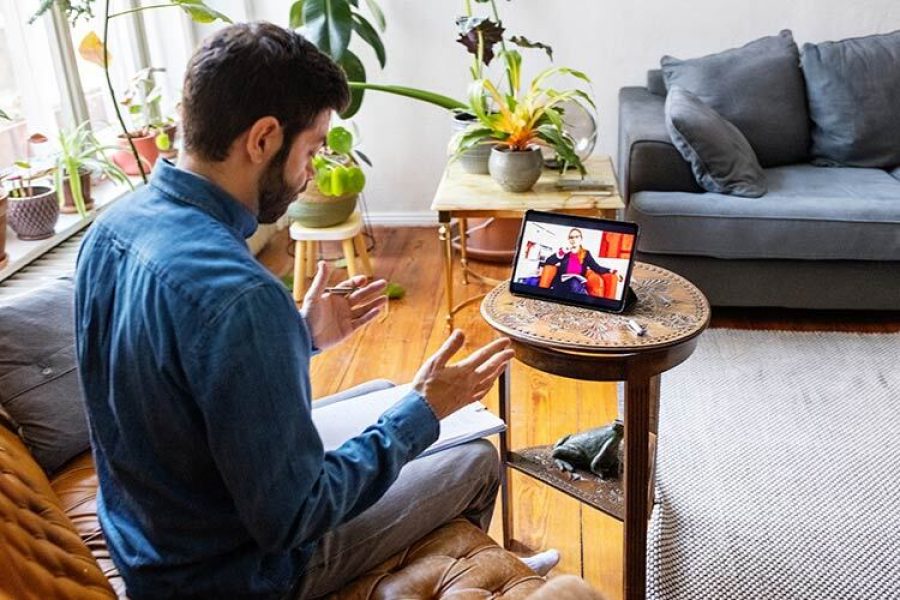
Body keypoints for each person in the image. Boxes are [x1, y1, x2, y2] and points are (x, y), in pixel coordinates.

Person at [74, 22, 557, 600]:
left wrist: (298, 336)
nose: (311, 170)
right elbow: (294, 516)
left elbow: (176, 375)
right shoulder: (242, 298)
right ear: (263, 139)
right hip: (235, 575)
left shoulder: (111, 231)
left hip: (148, 542)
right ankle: (464, 575)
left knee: (382, 388)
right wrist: (423, 412)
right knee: (472, 454)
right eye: (311, 148)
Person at [542, 228, 612, 295]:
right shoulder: (564, 251)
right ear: (569, 240)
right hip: (562, 284)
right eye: (571, 237)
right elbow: (548, 262)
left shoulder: (586, 253)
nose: (574, 239)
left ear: (581, 239)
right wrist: (562, 252)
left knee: (574, 283)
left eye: (576, 237)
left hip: (577, 284)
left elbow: (596, 267)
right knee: (572, 284)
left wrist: (611, 270)